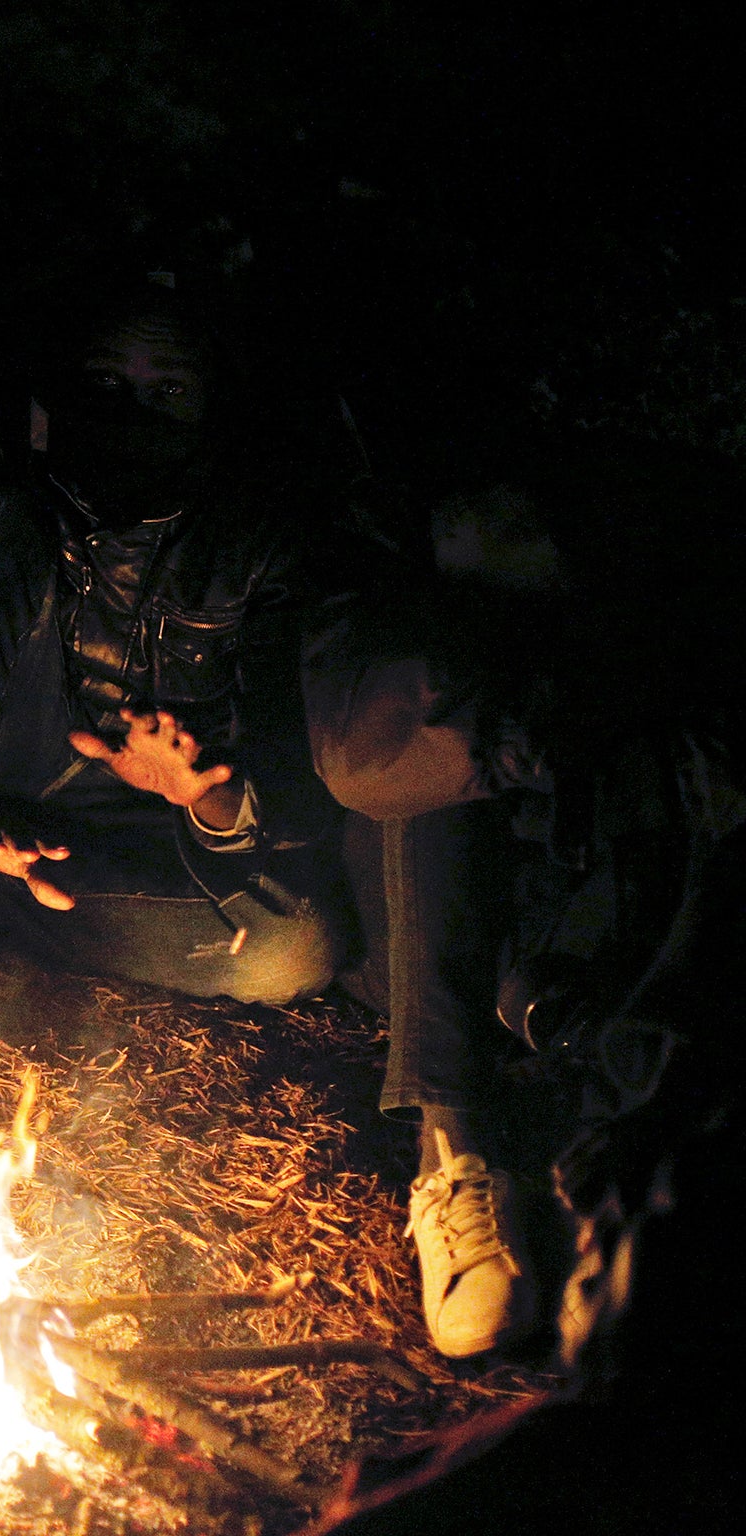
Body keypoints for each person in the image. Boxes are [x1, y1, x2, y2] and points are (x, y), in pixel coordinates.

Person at [0, 274, 352, 1127]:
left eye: (166, 392)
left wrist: (197, 794)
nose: (132, 414)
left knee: (288, 954)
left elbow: (292, 775)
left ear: (209, 409)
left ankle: (3, 946)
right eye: (105, 385)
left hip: (125, 859)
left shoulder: (258, 545)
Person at [302, 439, 743, 1357]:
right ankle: (449, 1146)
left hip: (564, 968)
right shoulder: (400, 630)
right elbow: (361, 757)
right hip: (426, 949)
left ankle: (604, 1199)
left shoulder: (648, 670)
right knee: (427, 785)